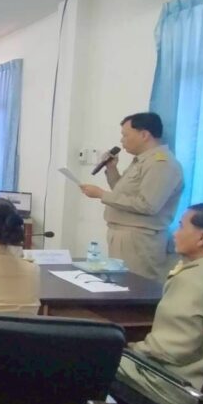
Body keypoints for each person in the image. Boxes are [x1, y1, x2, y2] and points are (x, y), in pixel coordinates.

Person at [115, 203, 203, 404]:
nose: (175, 233)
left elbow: (170, 350)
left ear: (202, 238)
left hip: (189, 391)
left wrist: (129, 348)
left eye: (181, 226)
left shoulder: (193, 280)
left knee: (98, 360)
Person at [80, 112, 183, 282]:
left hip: (140, 238)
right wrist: (112, 169)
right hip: (124, 234)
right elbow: (123, 195)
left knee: (136, 286)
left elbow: (147, 205)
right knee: (119, 284)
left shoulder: (161, 163)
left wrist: (101, 194)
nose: (122, 140)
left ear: (144, 135)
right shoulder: (142, 161)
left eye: (125, 135)